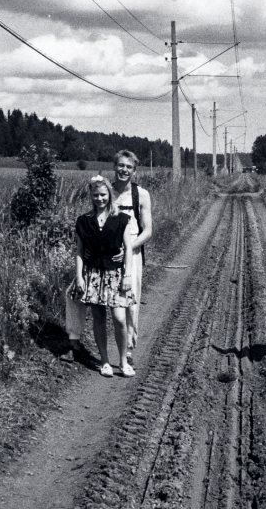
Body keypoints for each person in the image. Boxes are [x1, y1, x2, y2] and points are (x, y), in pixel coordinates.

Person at [73, 176, 136, 377]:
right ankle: (105, 361)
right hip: (93, 274)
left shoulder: (121, 218)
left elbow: (128, 248)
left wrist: (127, 275)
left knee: (119, 318)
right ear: (91, 196)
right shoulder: (84, 221)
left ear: (110, 194)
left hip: (116, 274)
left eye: (103, 194)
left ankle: (123, 361)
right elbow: (79, 251)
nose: (100, 198)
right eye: (96, 195)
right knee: (98, 318)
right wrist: (79, 277)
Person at [111, 150, 152, 367]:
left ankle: (128, 348)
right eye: (120, 165)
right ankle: (76, 342)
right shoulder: (106, 192)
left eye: (128, 167)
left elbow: (148, 230)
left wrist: (128, 249)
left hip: (132, 252)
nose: (124, 170)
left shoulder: (141, 195)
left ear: (134, 171)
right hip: (107, 253)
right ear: (114, 167)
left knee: (131, 299)